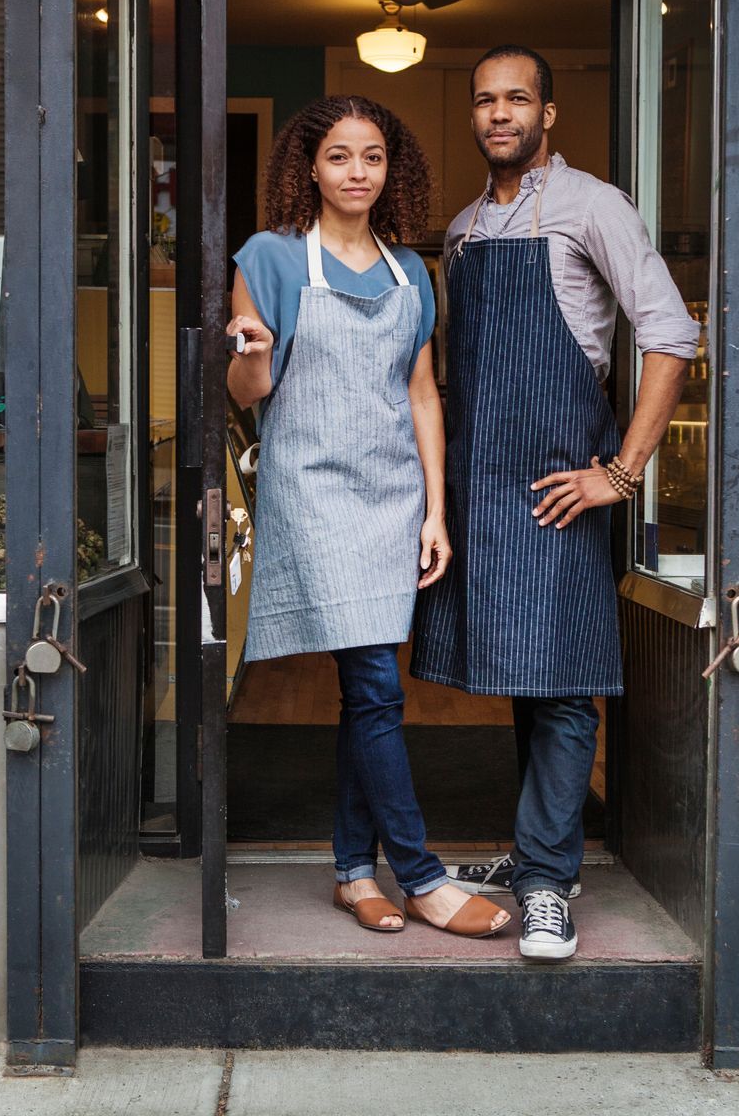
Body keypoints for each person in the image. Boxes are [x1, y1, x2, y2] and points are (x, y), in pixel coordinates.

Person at [413, 46, 698, 962]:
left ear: (548, 114)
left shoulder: (593, 205)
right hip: (481, 484)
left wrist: (619, 472)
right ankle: (546, 854)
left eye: (517, 99)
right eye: (485, 101)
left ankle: (544, 884)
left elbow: (671, 335)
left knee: (566, 683)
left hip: (559, 489)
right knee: (525, 680)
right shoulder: (464, 231)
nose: (500, 114)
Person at [229, 95, 512, 940]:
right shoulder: (271, 257)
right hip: (313, 489)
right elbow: (246, 391)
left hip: (393, 495)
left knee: (368, 688)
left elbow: (422, 393)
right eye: (340, 157)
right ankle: (421, 876)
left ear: (393, 170)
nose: (358, 172)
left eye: (374, 157)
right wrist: (254, 356)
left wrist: (435, 509)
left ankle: (354, 874)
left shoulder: (409, 271)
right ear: (311, 169)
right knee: (377, 683)